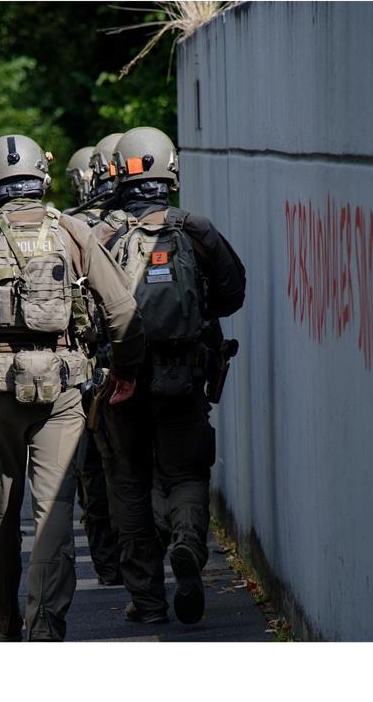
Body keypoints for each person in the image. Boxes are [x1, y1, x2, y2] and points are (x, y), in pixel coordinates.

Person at [0, 134, 145, 641]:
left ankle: (2, 617)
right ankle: (45, 627)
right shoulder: (72, 230)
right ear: (42, 177)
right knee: (54, 511)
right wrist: (126, 371)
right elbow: (123, 310)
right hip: (64, 388)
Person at [91, 126, 246, 625]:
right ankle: (187, 545)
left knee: (129, 484)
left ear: (117, 173)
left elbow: (83, 311)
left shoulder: (101, 236)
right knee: (186, 473)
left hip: (121, 380)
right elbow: (232, 294)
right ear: (169, 170)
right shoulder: (196, 230)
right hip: (185, 376)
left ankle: (148, 601)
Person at [64, 144, 122, 586]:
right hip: (133, 364)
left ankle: (108, 564)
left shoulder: (72, 229)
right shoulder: (174, 226)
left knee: (93, 471)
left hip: (87, 371)